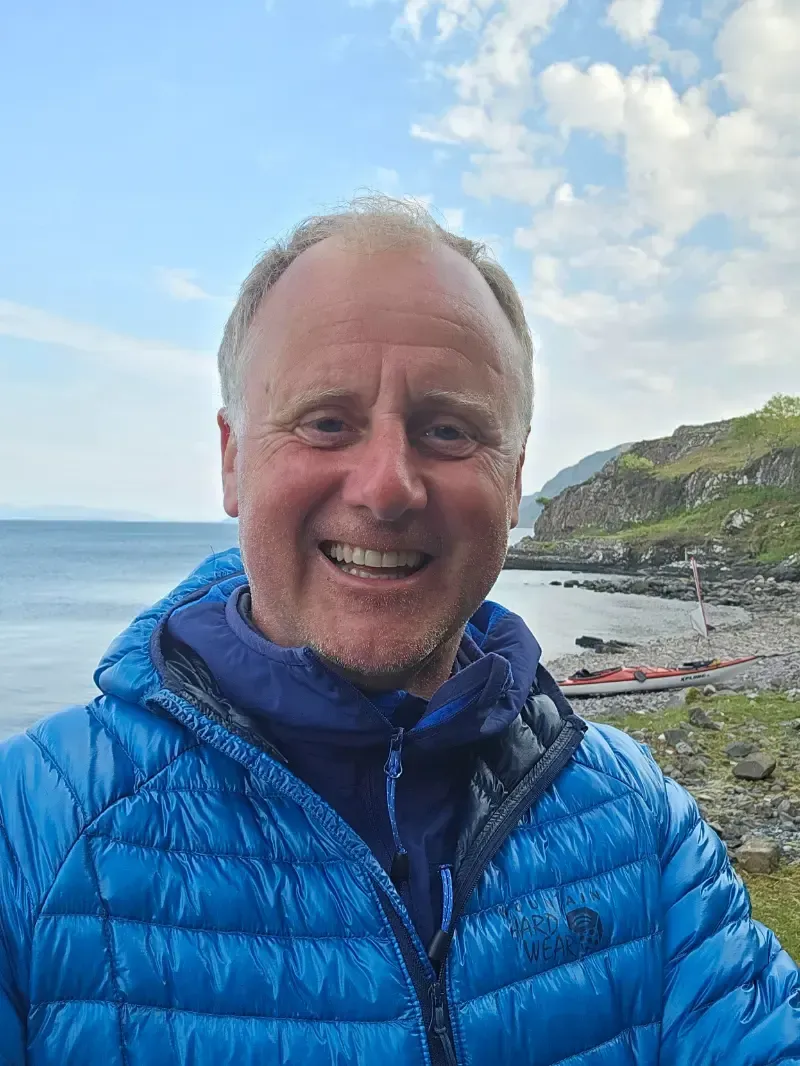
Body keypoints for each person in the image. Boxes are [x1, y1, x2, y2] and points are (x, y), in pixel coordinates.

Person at [1, 197, 798, 1066]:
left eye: (448, 431)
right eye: (327, 422)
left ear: (515, 475)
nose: (386, 488)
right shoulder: (36, 830)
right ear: (232, 459)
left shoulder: (636, 823)